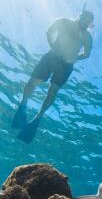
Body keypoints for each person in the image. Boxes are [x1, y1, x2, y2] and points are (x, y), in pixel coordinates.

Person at [12, 9, 94, 143]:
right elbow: (49, 31)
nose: (86, 23)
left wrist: (73, 58)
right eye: (85, 19)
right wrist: (52, 46)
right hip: (51, 57)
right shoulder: (63, 22)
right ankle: (23, 104)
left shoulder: (87, 37)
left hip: (66, 66)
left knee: (52, 91)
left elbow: (87, 54)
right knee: (32, 83)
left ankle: (38, 117)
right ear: (80, 15)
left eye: (89, 22)